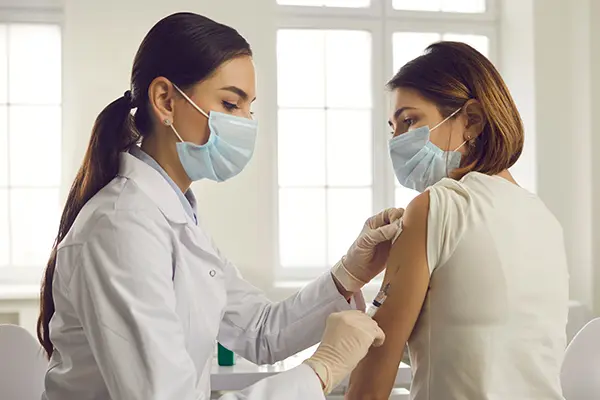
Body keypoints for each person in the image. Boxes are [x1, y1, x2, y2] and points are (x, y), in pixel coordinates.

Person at [37, 12, 403, 400]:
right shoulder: (121, 226)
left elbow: (262, 331)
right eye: (231, 104)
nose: (245, 123)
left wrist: (348, 273)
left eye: (249, 109)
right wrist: (321, 370)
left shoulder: (176, 216)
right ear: (165, 100)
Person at [346, 42, 569, 399]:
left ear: (472, 120)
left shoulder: (436, 206)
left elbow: (377, 364)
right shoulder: (543, 217)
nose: (398, 142)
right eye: (393, 128)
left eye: (410, 121)